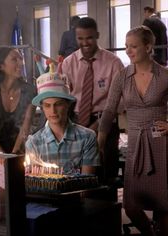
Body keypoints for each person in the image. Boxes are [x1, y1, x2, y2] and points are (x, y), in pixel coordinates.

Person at [98, 26, 168, 236]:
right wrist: (99, 140)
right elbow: (109, 111)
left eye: (133, 46)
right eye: (126, 46)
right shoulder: (122, 77)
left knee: (163, 206)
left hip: (161, 144)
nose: (128, 50)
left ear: (148, 46)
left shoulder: (165, 75)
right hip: (135, 146)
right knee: (131, 206)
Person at [61, 17, 124, 197]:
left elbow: (120, 100)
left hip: (105, 121)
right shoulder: (68, 63)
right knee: (75, 172)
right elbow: (65, 97)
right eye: (80, 38)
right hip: (76, 121)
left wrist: (99, 125)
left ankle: (107, 217)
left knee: (105, 174)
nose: (85, 43)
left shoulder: (113, 62)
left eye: (89, 38)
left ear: (97, 35)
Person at [25, 73, 100, 175]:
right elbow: (34, 184)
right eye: (47, 106)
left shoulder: (87, 137)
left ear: (67, 104)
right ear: (42, 108)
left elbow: (88, 182)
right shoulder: (34, 143)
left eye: (58, 104)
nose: (53, 111)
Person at [0, 46, 36, 154]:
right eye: (14, 59)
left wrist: (14, 154)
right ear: (1, 66)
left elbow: (25, 128)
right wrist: (1, 154)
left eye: (21, 58)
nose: (21, 63)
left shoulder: (30, 91)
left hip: (20, 147)